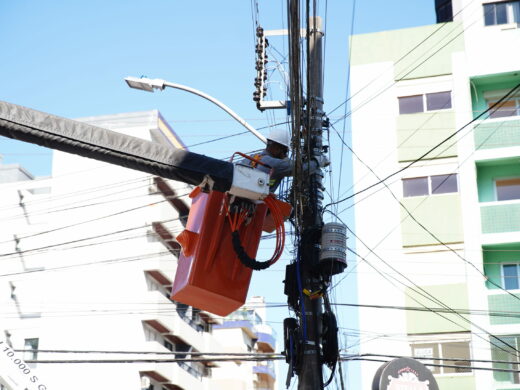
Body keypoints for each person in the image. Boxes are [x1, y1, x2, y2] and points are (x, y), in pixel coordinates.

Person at [247, 128, 329, 192]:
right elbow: (300, 170)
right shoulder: (276, 164)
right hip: (257, 203)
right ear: (277, 148)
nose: (285, 155)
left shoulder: (253, 158)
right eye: (285, 151)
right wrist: (317, 162)